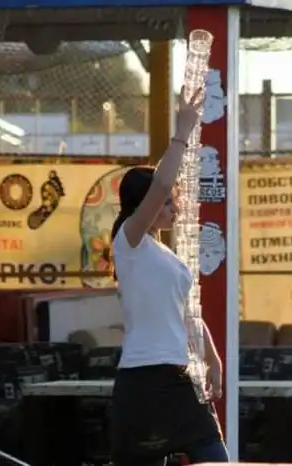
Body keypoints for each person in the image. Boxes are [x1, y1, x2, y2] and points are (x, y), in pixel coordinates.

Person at [109, 86, 229, 466]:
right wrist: (183, 131)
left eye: (173, 201)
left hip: (179, 377)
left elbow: (188, 313)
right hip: (143, 381)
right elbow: (161, 182)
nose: (173, 207)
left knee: (215, 456)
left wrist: (212, 360)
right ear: (142, 205)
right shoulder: (128, 241)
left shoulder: (165, 257)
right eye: (165, 202)